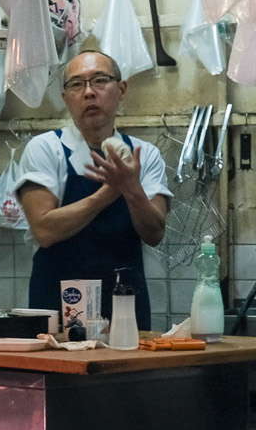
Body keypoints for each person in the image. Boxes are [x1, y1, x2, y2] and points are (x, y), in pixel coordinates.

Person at [15, 49, 171, 331]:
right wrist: (109, 193)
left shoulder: (145, 155)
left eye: (100, 81)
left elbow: (154, 233)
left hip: (125, 303)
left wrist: (132, 188)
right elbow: (45, 230)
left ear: (121, 89)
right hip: (58, 304)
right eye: (76, 84)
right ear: (65, 98)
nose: (89, 92)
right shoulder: (46, 149)